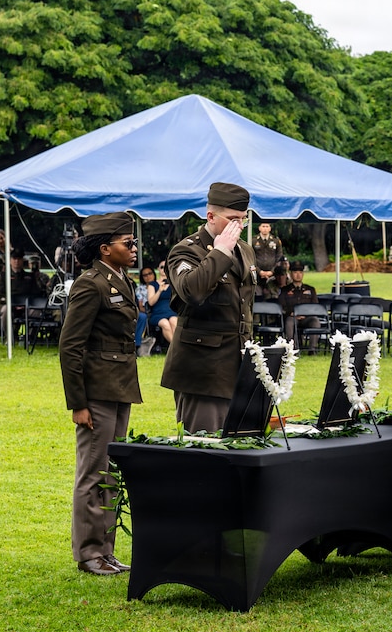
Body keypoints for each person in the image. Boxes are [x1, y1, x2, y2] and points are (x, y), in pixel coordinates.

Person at [58, 212, 142, 576]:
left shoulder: (119, 279)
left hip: (118, 386)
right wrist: (78, 403)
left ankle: (105, 551)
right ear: (106, 249)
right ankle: (89, 552)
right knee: (92, 472)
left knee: (110, 473)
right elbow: (70, 346)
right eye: (128, 243)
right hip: (96, 393)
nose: (135, 248)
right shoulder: (91, 284)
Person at [161, 183, 257, 434]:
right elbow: (192, 292)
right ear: (211, 216)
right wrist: (221, 250)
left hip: (237, 366)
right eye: (233, 220)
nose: (239, 227)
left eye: (243, 221)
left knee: (239, 448)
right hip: (202, 372)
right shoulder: (186, 250)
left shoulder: (245, 251)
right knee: (205, 450)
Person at [278, 260, 321, 352]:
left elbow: (315, 306)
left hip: (307, 317)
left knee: (315, 321)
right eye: (295, 272)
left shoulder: (310, 289)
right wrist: (291, 313)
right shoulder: (285, 290)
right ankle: (293, 349)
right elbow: (282, 305)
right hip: (292, 316)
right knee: (289, 322)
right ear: (291, 273)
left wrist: (306, 314)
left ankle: (312, 349)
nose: (298, 275)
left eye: (300, 272)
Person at [142, 265, 178, 344]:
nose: (164, 269)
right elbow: (151, 302)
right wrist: (159, 291)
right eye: (162, 267)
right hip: (158, 313)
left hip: (171, 311)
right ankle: (176, 348)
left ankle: (176, 348)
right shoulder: (153, 284)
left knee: (174, 321)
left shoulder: (173, 283)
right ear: (158, 269)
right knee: (165, 323)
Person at [252, 222, 284, 300]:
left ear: (270, 228)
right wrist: (259, 271)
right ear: (259, 228)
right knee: (257, 296)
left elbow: (279, 257)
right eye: (263, 226)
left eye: (267, 226)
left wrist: (272, 271)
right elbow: (251, 257)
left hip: (272, 275)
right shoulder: (253, 240)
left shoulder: (276, 241)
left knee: (273, 296)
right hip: (257, 275)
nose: (265, 228)